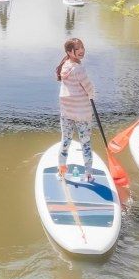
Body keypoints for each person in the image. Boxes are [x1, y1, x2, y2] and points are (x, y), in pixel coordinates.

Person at [55, 37, 96, 182]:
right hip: (82, 113)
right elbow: (88, 87)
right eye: (77, 49)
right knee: (85, 142)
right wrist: (92, 94)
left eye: (82, 47)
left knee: (65, 141)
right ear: (69, 52)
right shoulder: (79, 68)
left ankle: (61, 171)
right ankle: (89, 174)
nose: (81, 51)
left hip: (67, 112)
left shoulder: (65, 65)